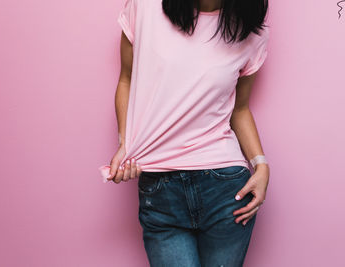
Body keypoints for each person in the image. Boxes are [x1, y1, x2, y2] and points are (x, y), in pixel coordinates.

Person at [105, 0, 270, 266]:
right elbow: (126, 79)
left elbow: (239, 110)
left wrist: (261, 166)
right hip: (160, 190)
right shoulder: (144, 7)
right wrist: (126, 143)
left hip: (226, 188)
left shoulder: (251, 34)